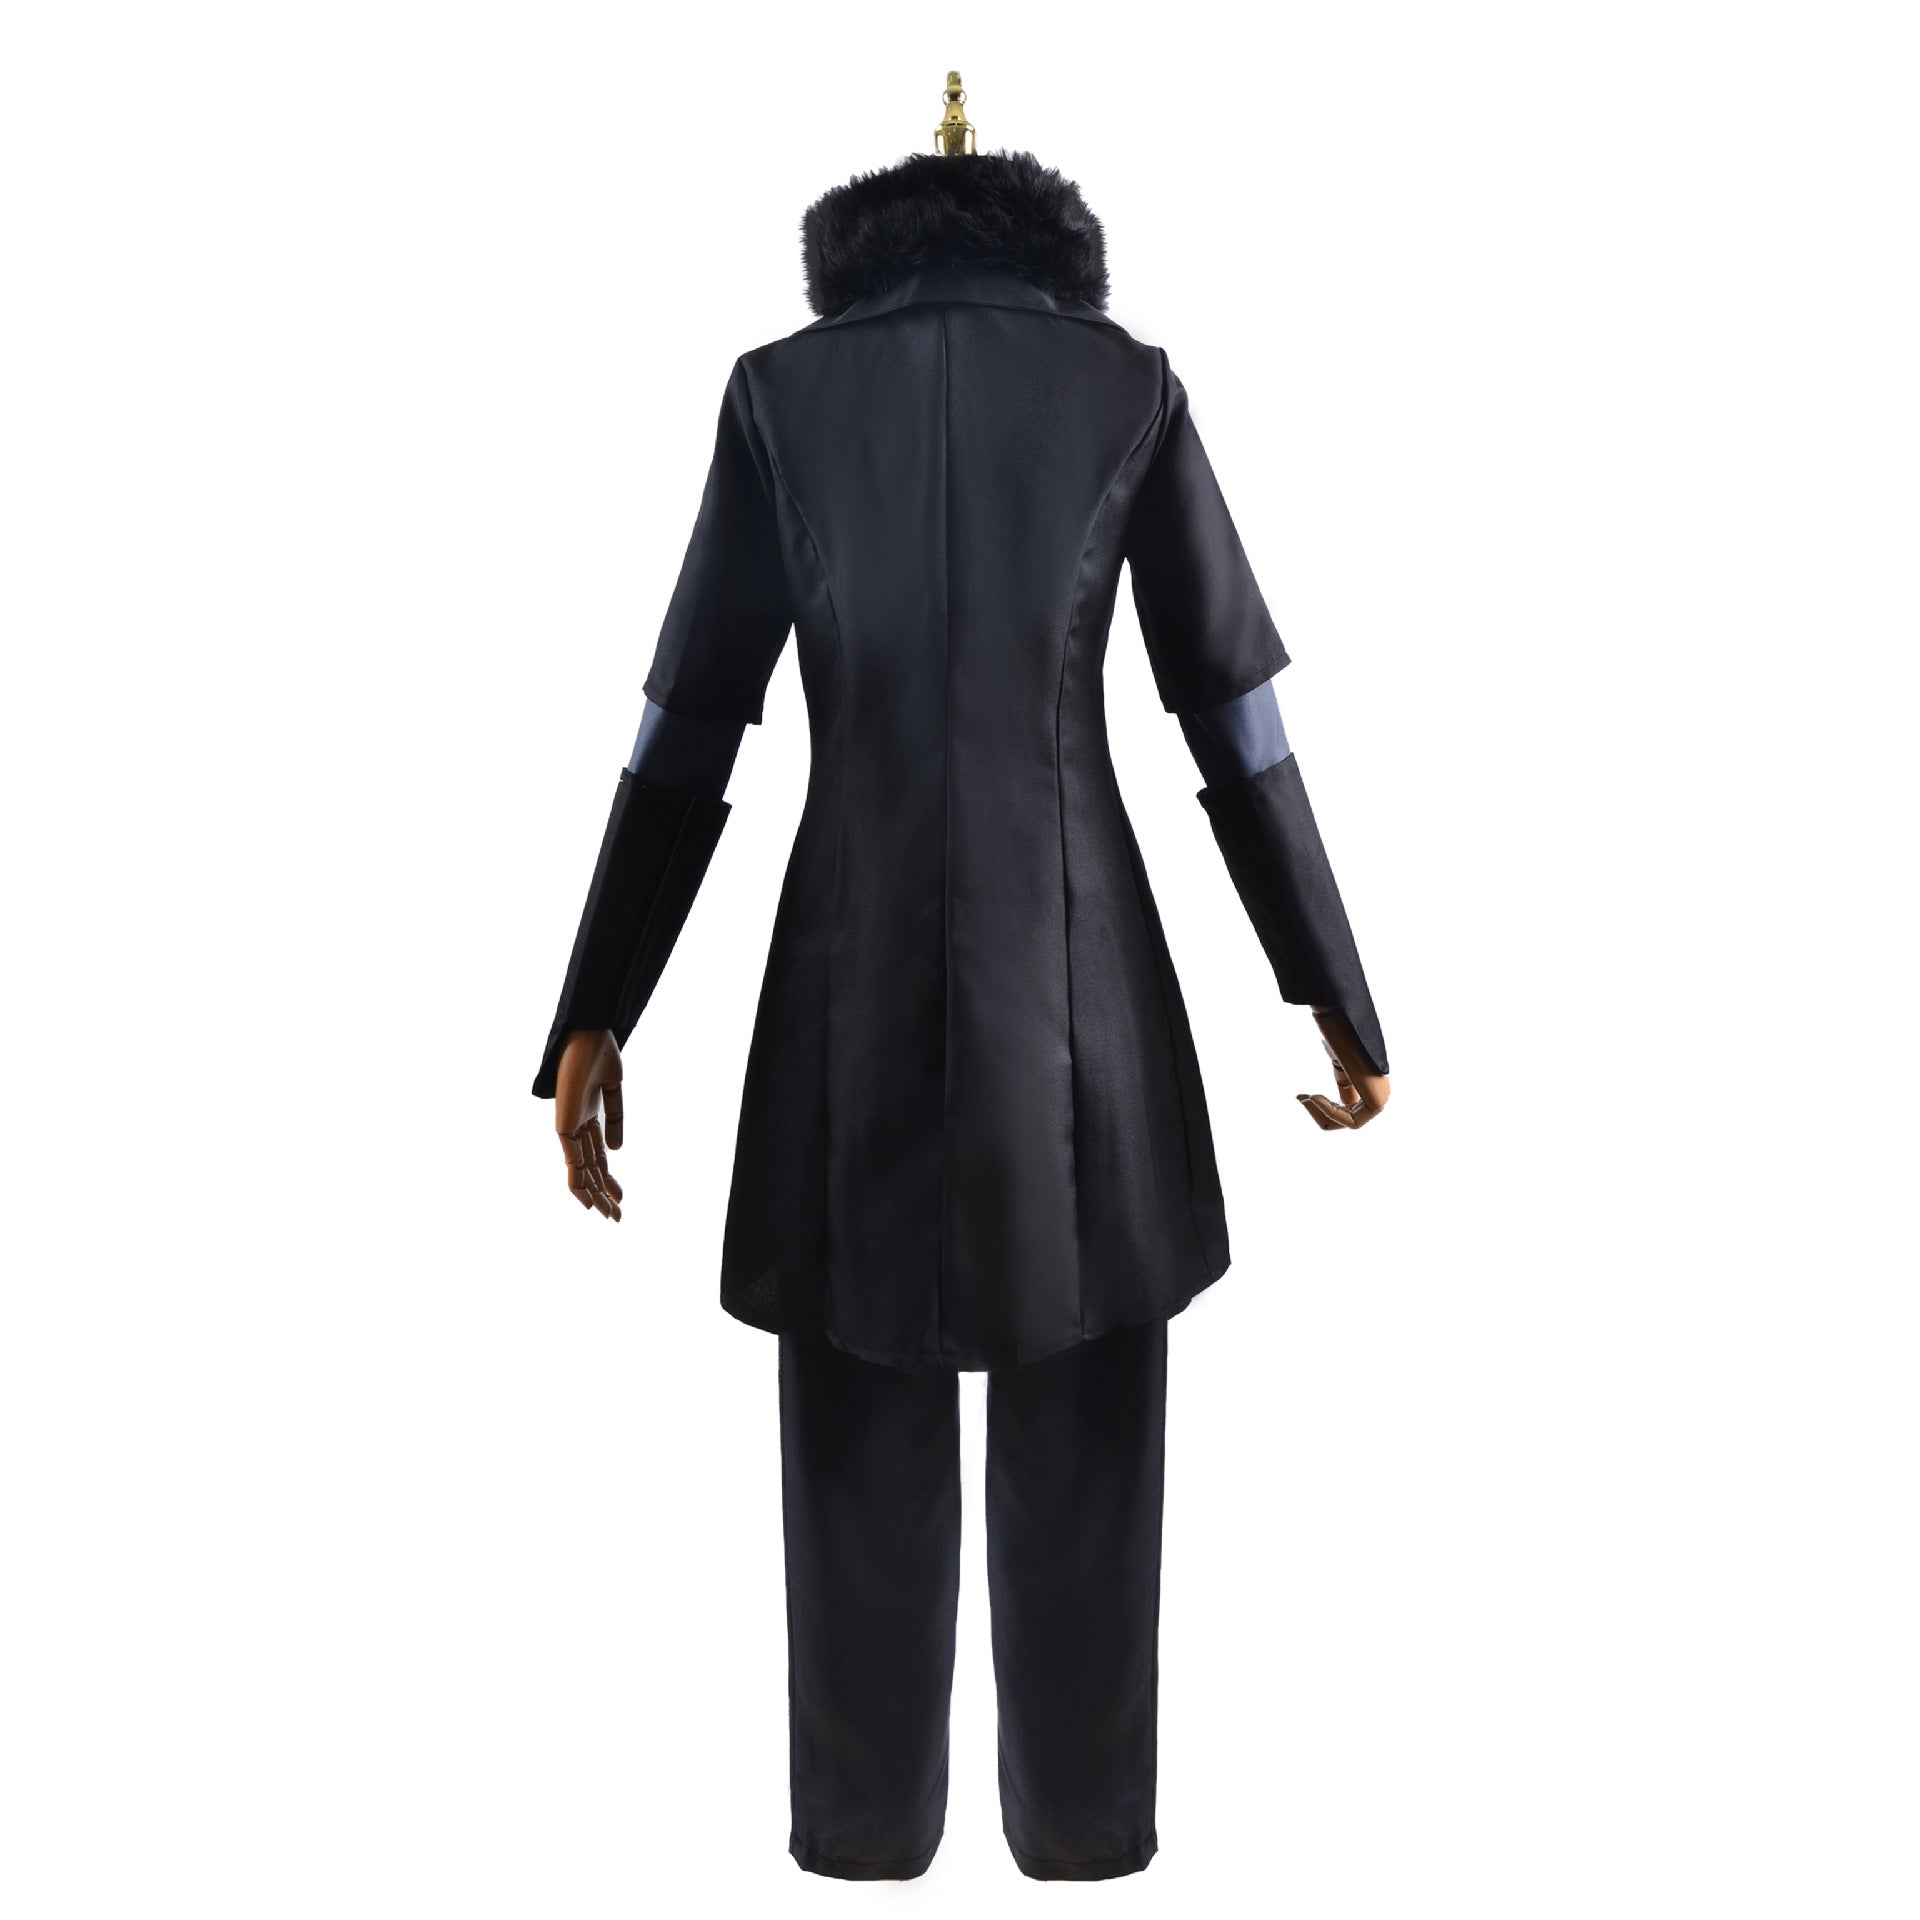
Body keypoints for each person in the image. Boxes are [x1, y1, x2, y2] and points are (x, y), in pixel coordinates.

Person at [532, 81, 1389, 1881]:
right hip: (1087, 990)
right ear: (1039, 241)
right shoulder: (1123, 385)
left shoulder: (783, 394)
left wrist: (596, 1007)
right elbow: (1232, 716)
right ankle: (1081, 1838)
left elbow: (689, 726)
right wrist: (1332, 982)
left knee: (853, 1462)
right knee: (1091, 1461)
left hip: (840, 984)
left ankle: (862, 1841)